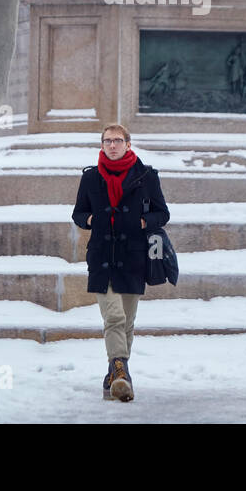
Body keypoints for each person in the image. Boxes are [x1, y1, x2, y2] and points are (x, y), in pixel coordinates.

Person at [71, 124, 170, 401]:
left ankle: (113, 371)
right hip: (102, 256)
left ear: (128, 143)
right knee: (113, 316)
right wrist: (92, 220)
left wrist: (141, 221)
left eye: (117, 141)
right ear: (102, 145)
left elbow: (163, 214)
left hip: (134, 255)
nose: (111, 145)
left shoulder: (147, 176)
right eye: (107, 141)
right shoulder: (91, 177)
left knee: (127, 321)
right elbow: (79, 213)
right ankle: (122, 373)